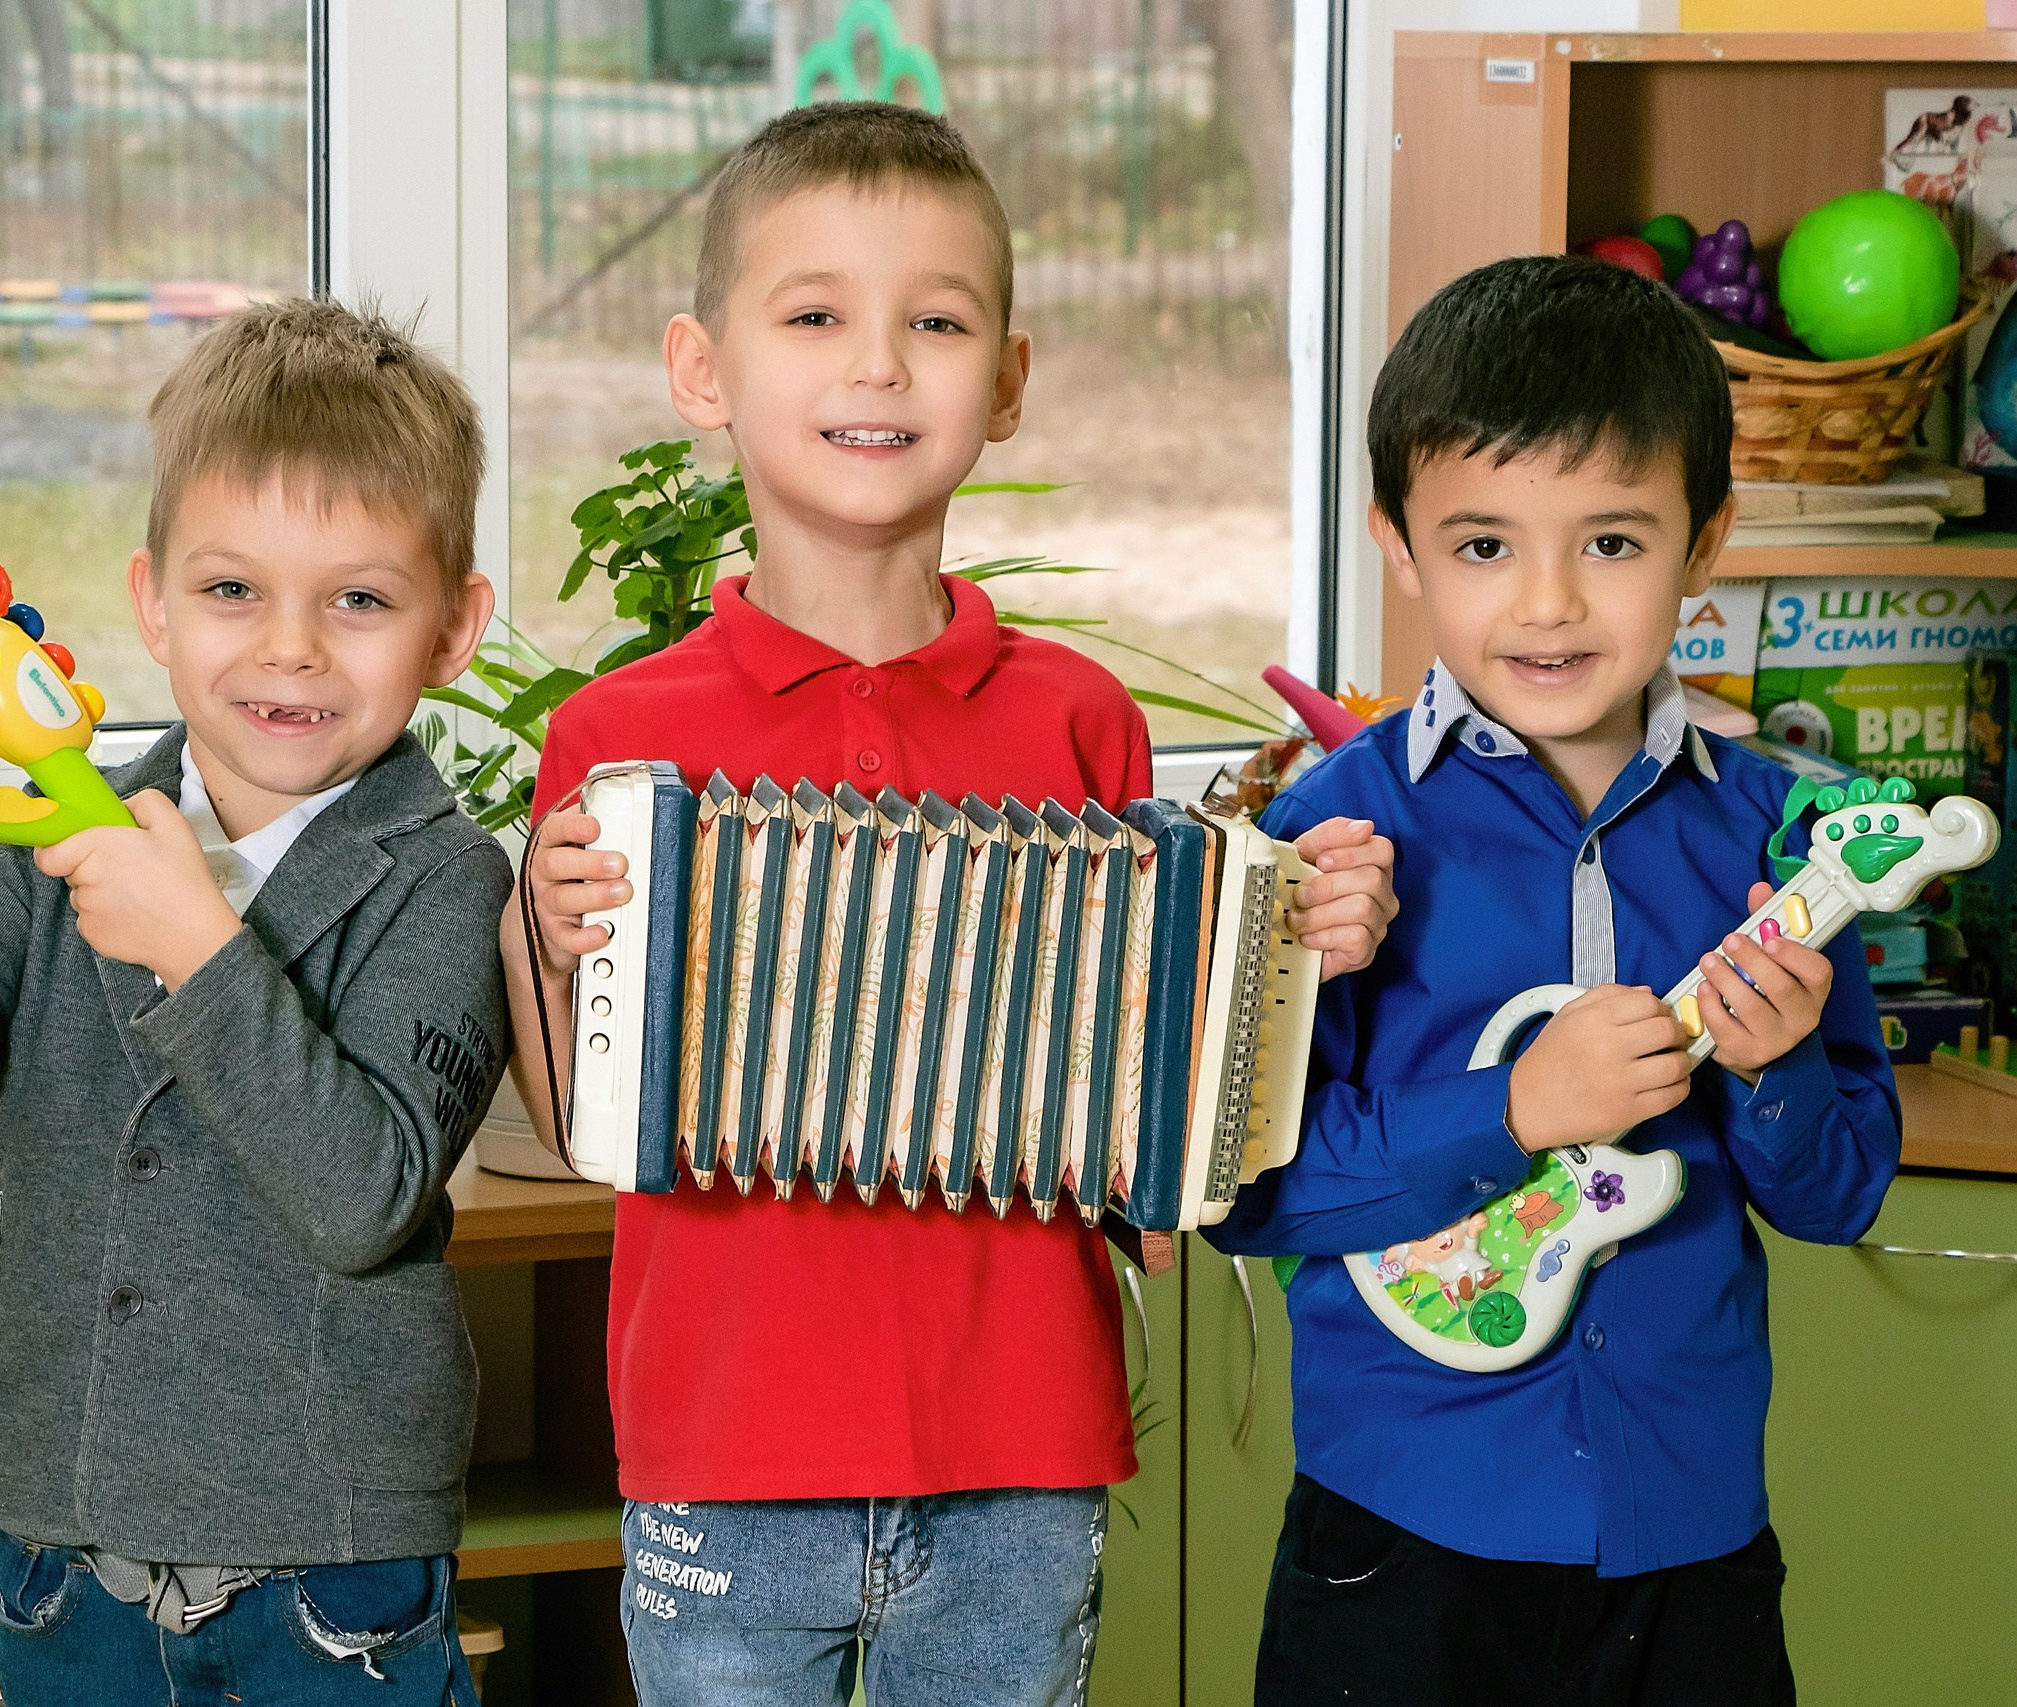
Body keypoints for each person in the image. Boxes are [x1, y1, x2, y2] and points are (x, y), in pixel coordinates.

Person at [502, 102, 1396, 1706]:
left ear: (1006, 380)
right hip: (721, 1439)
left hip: (1021, 1439)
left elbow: (1160, 1104)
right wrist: (542, 930)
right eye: (817, 315)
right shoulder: (617, 734)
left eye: (935, 321)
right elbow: (575, 1104)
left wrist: (1298, 948)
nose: (878, 365)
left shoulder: (1076, 721)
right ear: (705, 370)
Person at [0, 298, 510, 1707]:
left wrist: (204, 949)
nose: (290, 650)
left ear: (453, 629)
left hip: (326, 1563)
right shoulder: (54, 825)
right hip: (63, 1537)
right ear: (151, 605)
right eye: (233, 591)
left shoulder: (450, 881)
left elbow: (364, 1193)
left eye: (358, 599)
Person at [1210, 254, 1900, 1707]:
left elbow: (1836, 1197)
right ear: (1398, 543)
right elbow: (1250, 1197)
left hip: (1688, 1535)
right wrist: (1512, 1110)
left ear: (1704, 542)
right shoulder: (1327, 837)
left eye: (1611, 542)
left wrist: (1777, 1074)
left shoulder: (1785, 839)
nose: (1545, 604)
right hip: (1402, 1536)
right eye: (1482, 547)